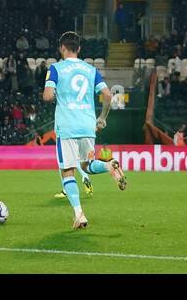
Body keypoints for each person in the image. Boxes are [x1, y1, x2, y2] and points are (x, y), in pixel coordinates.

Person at [42, 31, 126, 230]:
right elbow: (107, 95)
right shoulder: (90, 69)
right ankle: (108, 166)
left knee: (67, 171)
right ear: (79, 49)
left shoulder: (56, 68)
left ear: (62, 48)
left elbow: (47, 96)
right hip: (88, 125)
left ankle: (79, 214)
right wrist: (102, 118)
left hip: (67, 126)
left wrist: (56, 95)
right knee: (87, 165)